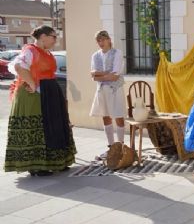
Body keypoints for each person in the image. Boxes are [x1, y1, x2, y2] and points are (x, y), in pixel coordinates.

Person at [4, 25, 75, 175]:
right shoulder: (30, 50)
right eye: (53, 37)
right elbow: (17, 66)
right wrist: (31, 83)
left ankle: (56, 162)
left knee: (54, 125)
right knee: (39, 127)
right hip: (33, 95)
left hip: (49, 92)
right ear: (43, 37)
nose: (55, 40)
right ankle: (37, 166)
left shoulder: (47, 52)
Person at [89, 30, 126, 160]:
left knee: (118, 116)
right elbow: (93, 76)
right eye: (98, 40)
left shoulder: (117, 53)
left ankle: (121, 147)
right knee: (106, 117)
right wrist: (105, 74)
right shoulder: (95, 56)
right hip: (101, 90)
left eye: (103, 40)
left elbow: (115, 76)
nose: (101, 43)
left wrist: (100, 74)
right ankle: (111, 147)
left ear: (109, 39)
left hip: (115, 90)